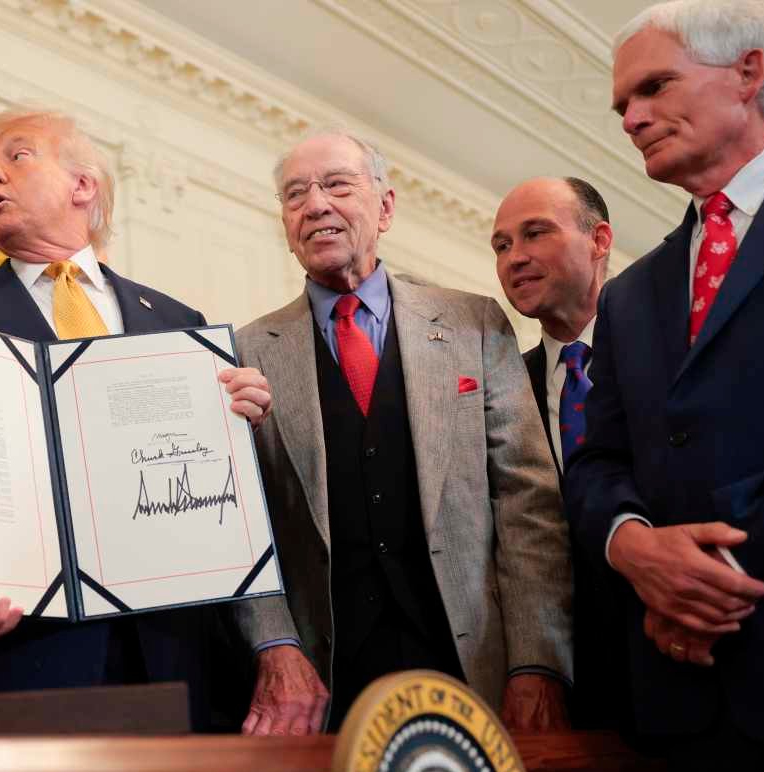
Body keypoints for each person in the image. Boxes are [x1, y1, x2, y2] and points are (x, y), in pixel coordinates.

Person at [0, 108, 273, 731]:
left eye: (17, 156)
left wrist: (237, 427)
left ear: (83, 185)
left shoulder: (179, 324)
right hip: (10, 664)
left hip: (169, 661)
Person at [233, 129, 573, 733]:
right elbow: (239, 526)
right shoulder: (247, 351)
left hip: (473, 665)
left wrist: (536, 662)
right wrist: (275, 645)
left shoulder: (475, 324)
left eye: (337, 185)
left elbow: (528, 503)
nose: (315, 204)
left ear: (385, 207)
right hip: (327, 680)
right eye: (295, 194)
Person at [567, 1, 764, 772]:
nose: (631, 118)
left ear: (749, 73)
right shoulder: (629, 296)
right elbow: (595, 464)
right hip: (693, 715)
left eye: (653, 87)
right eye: (622, 105)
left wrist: (695, 581)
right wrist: (634, 549)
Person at [490, 177, 618, 727]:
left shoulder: (667, 353)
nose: (514, 258)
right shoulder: (500, 387)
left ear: (599, 240)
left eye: (535, 233)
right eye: (501, 245)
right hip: (557, 678)